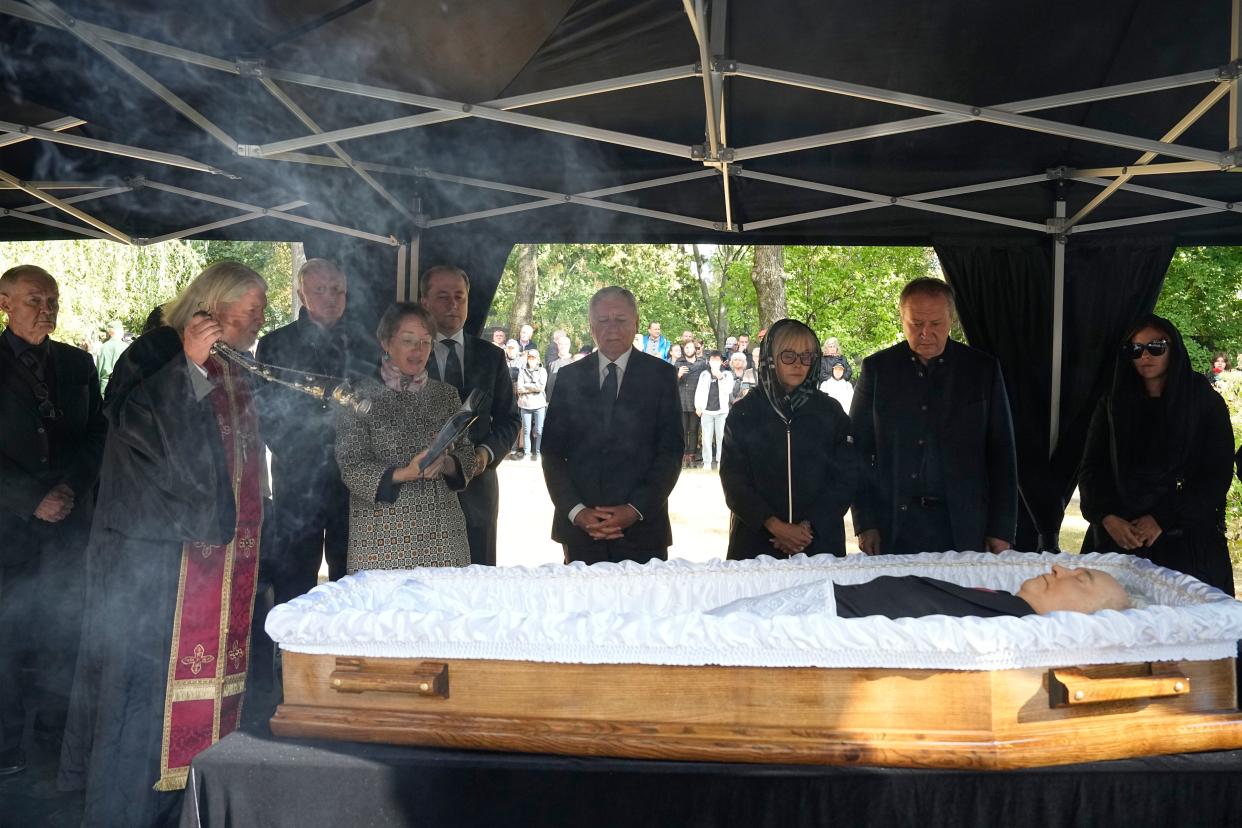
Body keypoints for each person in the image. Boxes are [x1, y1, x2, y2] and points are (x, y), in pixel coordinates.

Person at [59, 261, 268, 824]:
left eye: (261, 310)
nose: (259, 320)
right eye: (250, 309)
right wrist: (191, 367)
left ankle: (195, 806)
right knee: (142, 694)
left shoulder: (238, 363)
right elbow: (131, 426)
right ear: (214, 303)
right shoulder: (155, 351)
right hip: (153, 560)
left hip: (218, 561)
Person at [0, 265, 106, 776]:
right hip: (8, 531)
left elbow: (99, 435)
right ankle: (4, 746)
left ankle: (55, 739)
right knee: (7, 635)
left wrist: (71, 488)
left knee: (64, 629)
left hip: (69, 525)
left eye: (52, 300)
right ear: (4, 304)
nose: (46, 310)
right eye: (33, 300)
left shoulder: (78, 362)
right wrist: (31, 497)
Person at [851, 278, 1018, 556]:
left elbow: (1002, 452)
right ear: (902, 318)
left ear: (950, 318)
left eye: (936, 324)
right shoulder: (878, 370)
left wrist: (1001, 529)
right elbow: (857, 452)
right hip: (895, 523)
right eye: (915, 324)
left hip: (965, 524)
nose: (925, 333)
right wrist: (865, 522)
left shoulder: (981, 370)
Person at [1078, 315, 1236, 595]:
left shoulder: (1202, 402)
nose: (1145, 357)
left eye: (1156, 347)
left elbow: (1216, 474)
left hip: (1185, 544)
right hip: (1118, 541)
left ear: (1173, 349)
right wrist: (1107, 516)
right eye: (1135, 349)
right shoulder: (1114, 402)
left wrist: (1162, 519)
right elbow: (1092, 468)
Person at [255, 258, 379, 604]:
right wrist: (298, 452)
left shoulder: (367, 342)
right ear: (301, 293)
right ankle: (291, 653)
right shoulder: (275, 344)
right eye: (320, 290)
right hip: (297, 477)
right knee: (294, 574)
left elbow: (379, 405)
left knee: (353, 576)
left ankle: (348, 650)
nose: (330, 297)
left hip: (353, 481)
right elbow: (264, 410)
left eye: (337, 289)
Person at [541, 287, 683, 564]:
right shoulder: (569, 376)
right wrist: (577, 511)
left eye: (621, 319)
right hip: (581, 531)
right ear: (591, 327)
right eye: (603, 321)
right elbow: (552, 453)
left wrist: (634, 510)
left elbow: (670, 453)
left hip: (642, 530)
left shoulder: (661, 376)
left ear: (637, 323)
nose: (612, 328)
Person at [336, 303, 476, 571]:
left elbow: (467, 454)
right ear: (386, 343)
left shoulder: (446, 395)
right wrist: (404, 473)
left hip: (444, 537)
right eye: (408, 341)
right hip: (381, 540)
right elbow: (351, 467)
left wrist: (446, 463)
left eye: (425, 342)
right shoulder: (356, 396)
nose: (418, 350)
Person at [721, 319, 857, 560]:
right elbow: (734, 480)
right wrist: (775, 526)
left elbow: (845, 477)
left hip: (818, 544)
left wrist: (807, 527)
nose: (798, 364)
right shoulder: (745, 413)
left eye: (806, 357)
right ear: (771, 358)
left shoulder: (831, 412)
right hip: (756, 544)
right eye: (788, 356)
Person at [420, 265, 520, 567]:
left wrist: (484, 455)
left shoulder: (491, 357)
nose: (453, 305)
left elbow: (509, 419)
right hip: (422, 494)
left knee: (479, 585)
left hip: (478, 491)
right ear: (424, 302)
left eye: (459, 297)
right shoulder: (408, 355)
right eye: (443, 297)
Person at [707, 564, 1130, 619]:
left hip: (825, 615)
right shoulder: (1008, 606)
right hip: (827, 599)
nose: (1059, 568)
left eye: (1081, 578)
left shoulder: (1010, 625)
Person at [694, 349, 733, 470]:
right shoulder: (704, 374)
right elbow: (699, 391)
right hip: (706, 411)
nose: (714, 362)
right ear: (708, 361)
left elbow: (728, 391)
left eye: (717, 360)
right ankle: (707, 462)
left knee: (722, 437)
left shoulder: (727, 374)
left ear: (722, 362)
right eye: (712, 360)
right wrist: (698, 406)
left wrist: (720, 377)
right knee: (706, 438)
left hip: (722, 411)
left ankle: (721, 461)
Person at [674, 340, 706, 468]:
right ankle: (683, 455)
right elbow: (672, 383)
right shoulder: (678, 363)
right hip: (682, 400)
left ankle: (692, 455)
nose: (688, 350)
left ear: (695, 349)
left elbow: (706, 381)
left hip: (696, 401)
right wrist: (679, 375)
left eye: (690, 347)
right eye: (686, 348)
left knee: (693, 430)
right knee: (682, 429)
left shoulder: (702, 363)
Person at [516, 349, 548, 462]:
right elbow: (519, 388)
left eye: (533, 357)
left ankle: (538, 453)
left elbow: (541, 387)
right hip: (525, 404)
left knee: (539, 430)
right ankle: (527, 453)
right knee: (526, 430)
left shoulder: (543, 371)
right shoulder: (522, 370)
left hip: (539, 405)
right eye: (529, 357)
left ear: (538, 358)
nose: (531, 359)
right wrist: (533, 386)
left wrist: (527, 386)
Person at [94, 318, 128, 393]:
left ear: (108, 333)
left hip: (104, 388)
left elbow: (98, 371)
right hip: (120, 388)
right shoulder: (126, 348)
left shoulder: (103, 347)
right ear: (120, 331)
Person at [545, 335, 574, 401]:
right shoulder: (552, 364)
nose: (563, 346)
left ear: (569, 346)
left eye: (565, 344)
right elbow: (549, 385)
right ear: (557, 346)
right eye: (560, 344)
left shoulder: (574, 363)